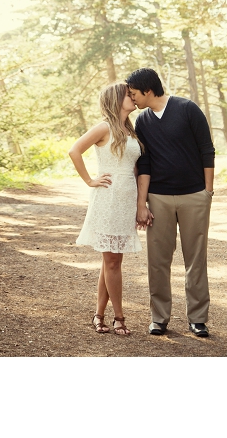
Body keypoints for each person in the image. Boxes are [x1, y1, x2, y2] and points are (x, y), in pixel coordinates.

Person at [128, 67, 216, 338]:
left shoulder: (187, 109)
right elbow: (145, 161)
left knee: (195, 259)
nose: (132, 100)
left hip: (194, 195)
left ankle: (198, 319)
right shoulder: (142, 121)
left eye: (134, 94)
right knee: (158, 260)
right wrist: (142, 203)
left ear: (148, 90)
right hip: (159, 197)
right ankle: (159, 318)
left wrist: (207, 191)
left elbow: (206, 149)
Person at [70, 82, 144, 337]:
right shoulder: (104, 127)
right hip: (108, 199)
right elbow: (74, 150)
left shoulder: (130, 129)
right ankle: (119, 318)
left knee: (111, 260)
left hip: (126, 199)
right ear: (116, 99)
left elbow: (135, 169)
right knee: (112, 261)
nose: (133, 98)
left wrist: (140, 204)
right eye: (128, 95)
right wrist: (90, 180)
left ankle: (99, 315)